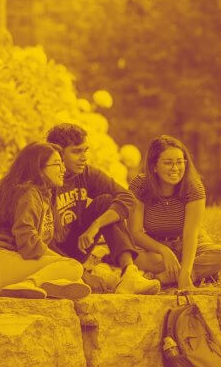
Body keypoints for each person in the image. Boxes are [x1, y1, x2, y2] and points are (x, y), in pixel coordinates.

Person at [46, 123, 161, 294]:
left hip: (77, 245)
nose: (84, 157)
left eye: (85, 150)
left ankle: (130, 274)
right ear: (57, 153)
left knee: (106, 202)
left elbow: (127, 198)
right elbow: (40, 242)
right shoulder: (43, 182)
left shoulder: (85, 173)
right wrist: (81, 274)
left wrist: (96, 225)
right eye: (76, 151)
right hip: (49, 254)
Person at [0, 142, 91, 299]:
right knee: (73, 267)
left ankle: (40, 285)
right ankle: (32, 283)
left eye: (62, 164)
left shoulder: (42, 196)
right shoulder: (30, 194)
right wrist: (61, 261)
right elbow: (27, 239)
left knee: (75, 277)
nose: (63, 170)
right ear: (38, 169)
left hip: (0, 276)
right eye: (57, 164)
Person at [127, 135, 221, 290]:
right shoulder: (140, 185)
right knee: (134, 257)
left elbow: (191, 233)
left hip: (192, 243)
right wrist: (164, 250)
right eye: (168, 163)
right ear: (154, 166)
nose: (175, 168)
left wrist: (186, 272)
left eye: (180, 162)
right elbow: (135, 232)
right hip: (155, 246)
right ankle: (197, 271)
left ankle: (170, 277)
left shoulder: (194, 186)